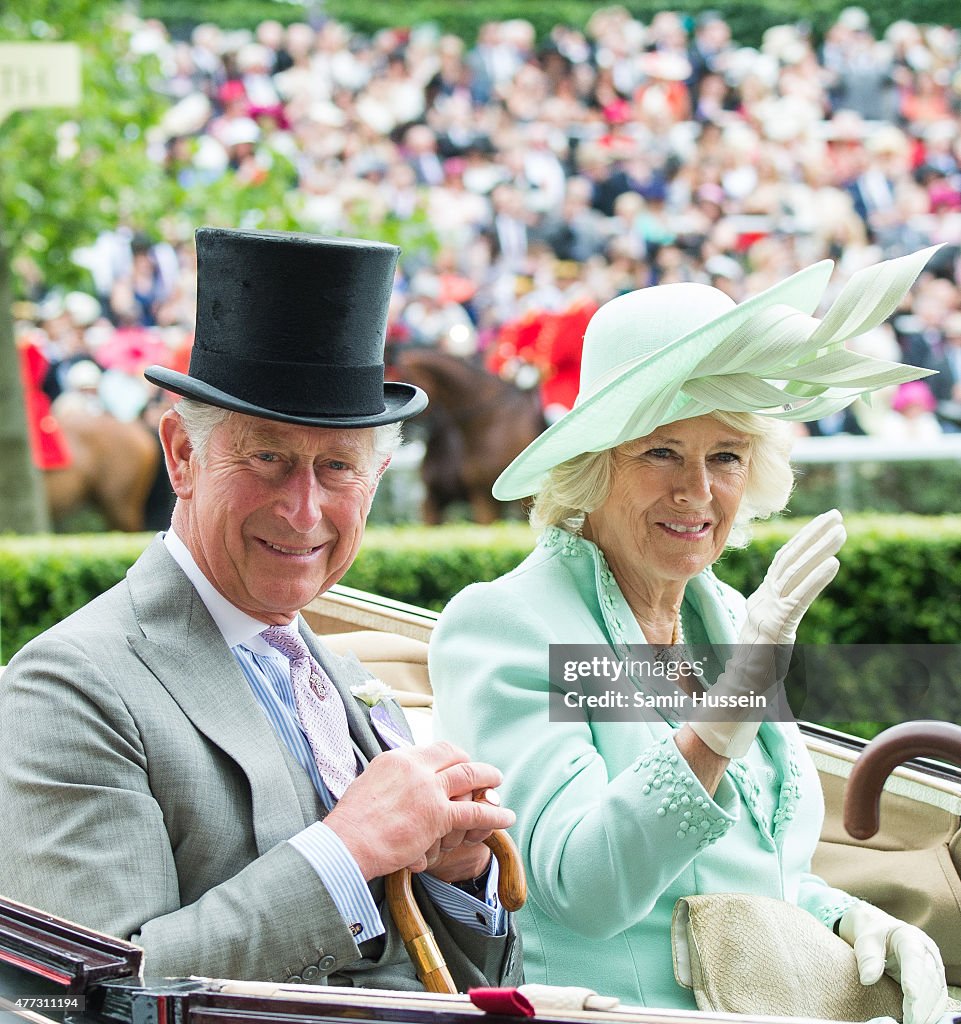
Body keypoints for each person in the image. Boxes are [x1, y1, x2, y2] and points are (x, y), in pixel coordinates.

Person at [429, 244, 949, 1022]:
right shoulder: (514, 623)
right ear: (591, 466)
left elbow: (746, 869)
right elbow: (579, 885)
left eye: (725, 456)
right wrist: (722, 711)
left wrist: (841, 916)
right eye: (662, 451)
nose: (697, 491)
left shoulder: (731, 617)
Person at [0, 227, 520, 991]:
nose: (303, 510)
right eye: (268, 457)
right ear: (181, 455)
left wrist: (460, 873)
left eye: (337, 466)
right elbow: (93, 993)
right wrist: (348, 851)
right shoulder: (69, 684)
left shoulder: (336, 672)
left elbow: (454, 979)